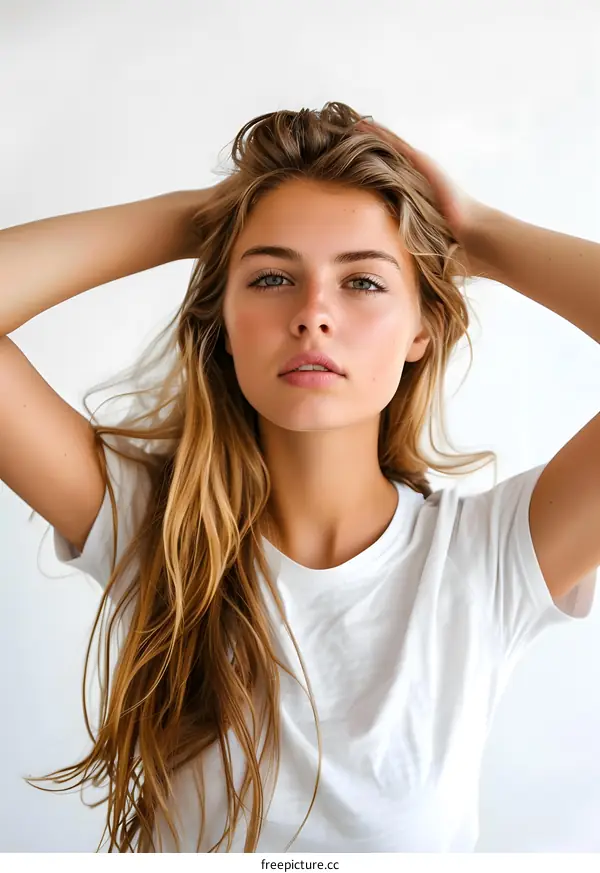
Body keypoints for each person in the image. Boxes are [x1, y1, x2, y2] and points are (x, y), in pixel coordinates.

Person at [1, 101, 598, 853]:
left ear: (423, 328)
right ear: (223, 320)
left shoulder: (493, 556)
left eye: (363, 282)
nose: (313, 313)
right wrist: (200, 220)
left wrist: (480, 232)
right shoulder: (154, 525)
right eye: (272, 276)